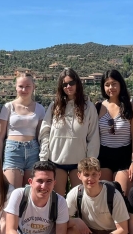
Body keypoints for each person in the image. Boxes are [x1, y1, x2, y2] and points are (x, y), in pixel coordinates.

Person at [62, 157, 130, 234]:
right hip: (88, 233)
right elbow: (61, 223)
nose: (90, 178)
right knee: (69, 231)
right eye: (86, 174)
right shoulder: (75, 193)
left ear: (100, 174)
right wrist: (76, 221)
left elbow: (123, 230)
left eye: (94, 174)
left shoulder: (113, 194)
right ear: (79, 176)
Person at [39, 68, 99, 196]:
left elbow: (93, 136)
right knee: (58, 200)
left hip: (79, 163)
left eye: (71, 83)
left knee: (78, 199)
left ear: (77, 83)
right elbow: (45, 130)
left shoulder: (88, 107)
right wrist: (43, 156)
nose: (68, 87)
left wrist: (90, 163)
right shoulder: (55, 105)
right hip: (56, 161)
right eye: (65, 84)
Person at [0, 72, 45, 188]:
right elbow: (0, 137)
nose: (24, 89)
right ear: (16, 87)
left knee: (30, 193)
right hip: (13, 151)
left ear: (33, 87)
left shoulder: (40, 109)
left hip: (33, 151)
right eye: (21, 86)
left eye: (28, 86)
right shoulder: (8, 107)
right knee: (12, 193)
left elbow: (40, 137)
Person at [96, 69, 133, 194]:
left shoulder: (132, 108)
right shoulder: (98, 107)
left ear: (121, 84)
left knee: (123, 195)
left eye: (114, 83)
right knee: (104, 196)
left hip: (124, 157)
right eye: (107, 84)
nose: (111, 87)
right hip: (103, 157)